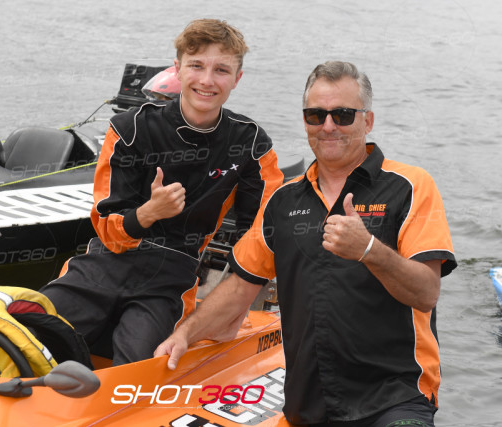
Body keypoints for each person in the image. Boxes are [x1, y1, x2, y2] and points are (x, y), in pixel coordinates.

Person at [155, 60, 457, 426]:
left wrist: (369, 250)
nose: (328, 126)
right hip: (308, 406)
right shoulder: (282, 200)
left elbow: (426, 293)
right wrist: (185, 334)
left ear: (368, 121)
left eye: (343, 115)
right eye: (316, 115)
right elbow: (239, 287)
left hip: (394, 401)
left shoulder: (410, 186)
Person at [40, 19, 284, 366]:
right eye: (196, 65)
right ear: (178, 69)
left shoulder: (251, 143)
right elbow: (107, 227)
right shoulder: (129, 128)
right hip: (105, 261)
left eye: (221, 70)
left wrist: (236, 304)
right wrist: (148, 213)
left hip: (172, 274)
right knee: (26, 331)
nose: (207, 80)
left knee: (141, 363)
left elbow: (261, 231)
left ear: (237, 78)